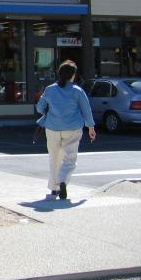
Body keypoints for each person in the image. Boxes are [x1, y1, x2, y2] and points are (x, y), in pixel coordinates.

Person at [36, 60, 96, 200]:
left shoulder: (50, 89)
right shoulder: (77, 90)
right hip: (73, 128)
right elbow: (86, 110)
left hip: (52, 127)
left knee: (54, 158)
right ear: (73, 75)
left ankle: (54, 188)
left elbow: (39, 108)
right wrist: (91, 127)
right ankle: (63, 181)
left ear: (59, 73)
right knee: (70, 158)